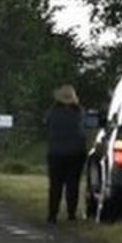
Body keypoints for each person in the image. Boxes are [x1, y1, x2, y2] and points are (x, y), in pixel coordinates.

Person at [45, 84, 86, 224]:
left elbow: (46, 124)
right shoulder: (79, 112)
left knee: (55, 184)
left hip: (56, 152)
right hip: (76, 152)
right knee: (73, 184)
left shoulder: (53, 111)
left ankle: (52, 215)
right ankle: (71, 214)